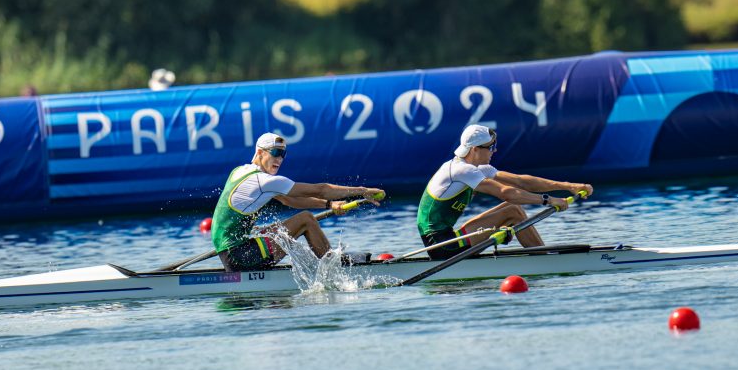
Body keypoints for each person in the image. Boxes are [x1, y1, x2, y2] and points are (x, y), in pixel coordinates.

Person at [212, 132, 385, 271]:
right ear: (259, 152)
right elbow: (321, 189)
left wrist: (329, 205)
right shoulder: (264, 180)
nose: (279, 160)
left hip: (231, 255)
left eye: (283, 155)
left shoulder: (239, 171)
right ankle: (335, 265)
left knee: (276, 229)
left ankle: (328, 260)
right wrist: (363, 191)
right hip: (241, 257)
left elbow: (287, 199)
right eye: (275, 153)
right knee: (306, 219)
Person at [417, 124, 593, 259]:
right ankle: (544, 261)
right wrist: (549, 200)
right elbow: (507, 193)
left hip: (447, 238)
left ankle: (542, 257)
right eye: (491, 147)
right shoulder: (462, 170)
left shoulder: (477, 168)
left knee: (512, 209)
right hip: (442, 246)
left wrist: (568, 186)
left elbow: (521, 181)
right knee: (512, 210)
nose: (495, 150)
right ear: (475, 149)